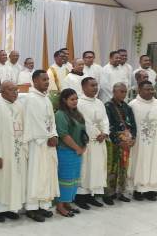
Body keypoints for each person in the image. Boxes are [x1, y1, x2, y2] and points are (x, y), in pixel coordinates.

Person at [22, 70, 59, 222]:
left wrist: (54, 134)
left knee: (46, 174)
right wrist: (48, 136)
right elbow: (34, 122)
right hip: (37, 143)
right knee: (36, 175)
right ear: (35, 81)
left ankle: (43, 205)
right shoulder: (31, 99)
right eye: (43, 79)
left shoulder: (46, 99)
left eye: (47, 79)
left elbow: (52, 121)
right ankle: (32, 208)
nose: (46, 82)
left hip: (48, 142)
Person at [0, 81, 26, 222]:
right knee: (0, 179)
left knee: (14, 180)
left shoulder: (19, 106)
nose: (15, 92)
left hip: (16, 150)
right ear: (2, 91)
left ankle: (10, 208)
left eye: (16, 90)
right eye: (11, 90)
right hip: (2, 151)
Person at [128, 81, 157, 201]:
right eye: (147, 89)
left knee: (153, 163)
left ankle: (150, 190)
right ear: (139, 90)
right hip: (139, 143)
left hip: (155, 142)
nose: (151, 92)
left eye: (152, 89)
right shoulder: (133, 105)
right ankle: (138, 190)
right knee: (139, 164)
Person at [75, 77, 109, 208]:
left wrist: (105, 133)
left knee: (97, 168)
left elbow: (105, 120)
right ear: (83, 88)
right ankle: (81, 197)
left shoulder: (99, 102)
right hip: (87, 142)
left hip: (100, 141)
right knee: (85, 168)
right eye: (92, 85)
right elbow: (82, 123)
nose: (95, 88)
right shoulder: (79, 103)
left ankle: (92, 195)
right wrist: (94, 134)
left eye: (96, 85)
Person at [55, 88, 87, 217]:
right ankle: (60, 206)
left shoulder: (77, 113)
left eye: (76, 99)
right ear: (64, 100)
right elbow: (63, 135)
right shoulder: (60, 114)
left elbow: (83, 130)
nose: (75, 102)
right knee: (64, 179)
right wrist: (77, 148)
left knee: (74, 179)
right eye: (72, 99)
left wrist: (84, 146)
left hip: (77, 152)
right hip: (66, 152)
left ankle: (67, 202)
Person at [104, 83, 136, 203]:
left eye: (125, 92)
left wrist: (133, 138)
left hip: (126, 142)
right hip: (113, 142)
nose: (123, 94)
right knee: (112, 167)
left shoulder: (127, 108)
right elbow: (108, 125)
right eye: (121, 91)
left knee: (124, 167)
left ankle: (120, 191)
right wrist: (117, 140)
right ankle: (108, 194)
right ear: (114, 92)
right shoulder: (108, 106)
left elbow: (133, 125)